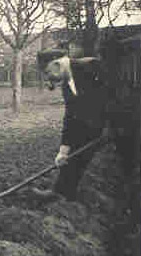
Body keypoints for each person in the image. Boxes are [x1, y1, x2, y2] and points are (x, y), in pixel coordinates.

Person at [32, 48, 109, 202]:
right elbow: (71, 116)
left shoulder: (91, 66)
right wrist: (63, 150)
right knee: (73, 156)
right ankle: (63, 193)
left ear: (56, 63)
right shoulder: (67, 84)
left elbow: (113, 95)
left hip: (125, 121)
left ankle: (62, 193)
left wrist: (111, 125)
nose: (49, 78)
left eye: (48, 73)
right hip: (95, 125)